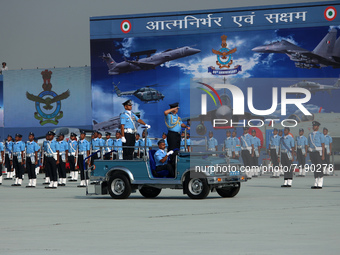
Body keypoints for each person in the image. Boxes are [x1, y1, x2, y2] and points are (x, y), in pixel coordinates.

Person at [308, 121, 325, 189]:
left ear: (318, 127)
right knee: (314, 167)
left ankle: (320, 183)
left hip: (318, 152)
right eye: (313, 126)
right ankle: (315, 182)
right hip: (312, 152)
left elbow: (323, 145)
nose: (313, 127)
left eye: (315, 126)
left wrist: (323, 155)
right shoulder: (310, 135)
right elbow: (309, 144)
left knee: (319, 167)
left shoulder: (320, 134)